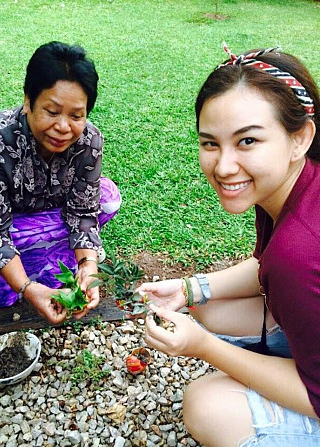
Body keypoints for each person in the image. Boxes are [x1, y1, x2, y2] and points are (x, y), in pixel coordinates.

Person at [141, 44, 320, 446]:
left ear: (300, 137)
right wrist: (190, 289)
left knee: (206, 405)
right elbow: (264, 265)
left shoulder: (301, 248)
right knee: (209, 308)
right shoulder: (289, 183)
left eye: (247, 142)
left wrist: (202, 347)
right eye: (210, 143)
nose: (223, 167)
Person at [0, 41, 121, 324]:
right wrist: (26, 287)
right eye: (52, 111)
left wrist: (88, 264)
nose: (63, 127)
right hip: (8, 226)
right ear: (28, 101)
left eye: (76, 115)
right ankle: (33, 273)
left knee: (107, 198)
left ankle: (58, 261)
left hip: (50, 218)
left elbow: (83, 212)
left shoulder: (90, 142)